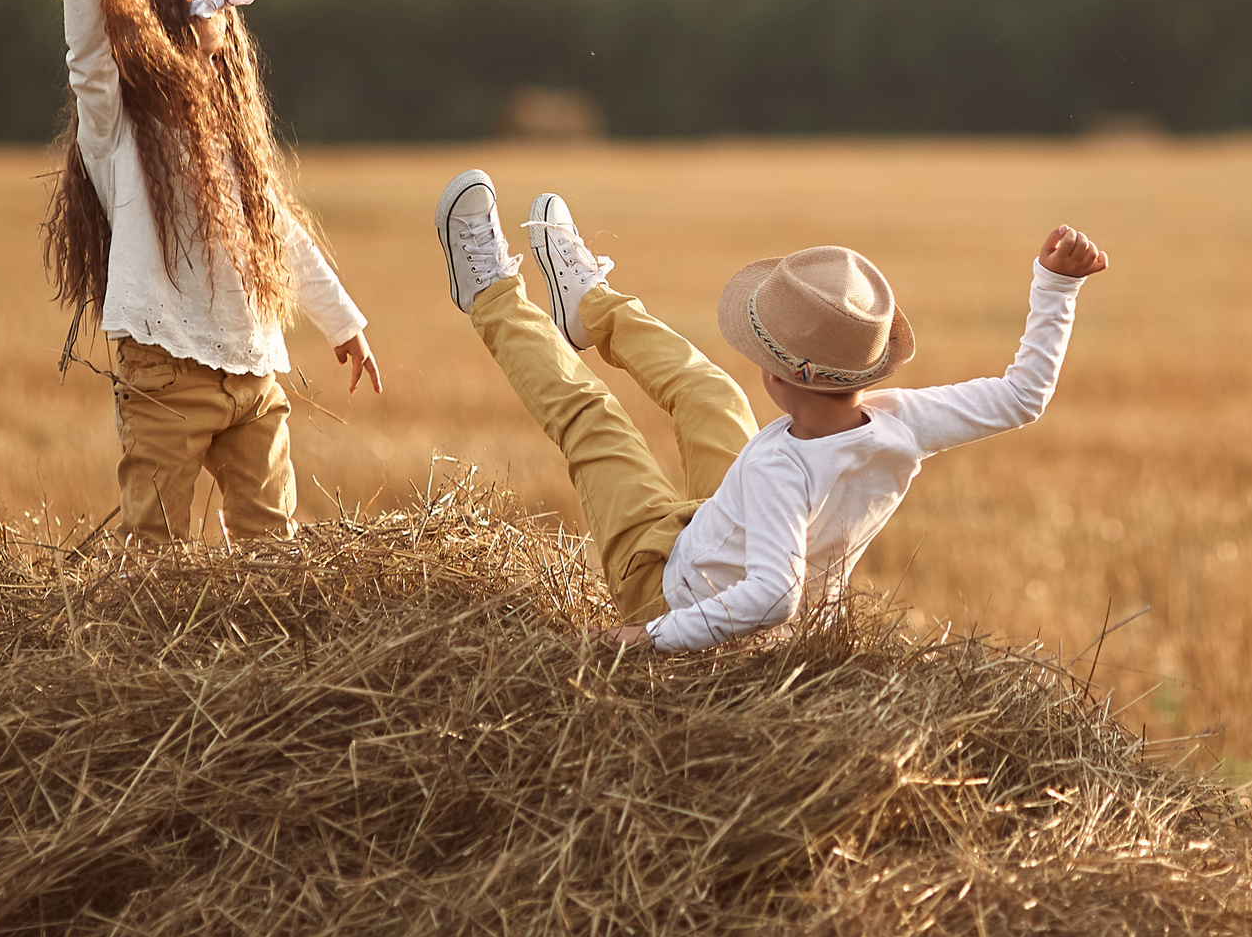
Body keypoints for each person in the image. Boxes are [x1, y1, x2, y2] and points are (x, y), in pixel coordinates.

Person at [433, 169, 1105, 652]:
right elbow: (1023, 396)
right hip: (723, 526)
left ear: (780, 375)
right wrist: (1057, 286)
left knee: (594, 421)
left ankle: (488, 292)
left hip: (669, 586)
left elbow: (772, 595)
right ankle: (588, 308)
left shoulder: (783, 469)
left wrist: (647, 633)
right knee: (711, 395)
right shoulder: (898, 420)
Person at [42, 0, 380, 542]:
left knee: (272, 547)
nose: (213, 74)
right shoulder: (120, 135)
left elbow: (282, 234)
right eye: (199, 56)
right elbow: (86, 53)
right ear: (159, 51)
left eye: (222, 59)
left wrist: (343, 323)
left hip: (253, 374)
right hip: (165, 371)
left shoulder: (236, 153)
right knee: (156, 553)